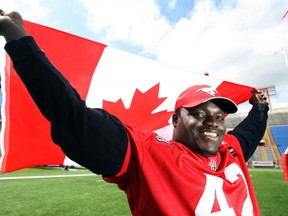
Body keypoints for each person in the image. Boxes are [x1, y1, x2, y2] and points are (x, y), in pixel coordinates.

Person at [0, 10, 269, 215]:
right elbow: (73, 118)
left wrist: (260, 106)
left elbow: (253, 127)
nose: (213, 122)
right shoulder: (149, 154)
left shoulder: (230, 150)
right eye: (199, 113)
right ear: (175, 118)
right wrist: (20, 41)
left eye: (220, 117)